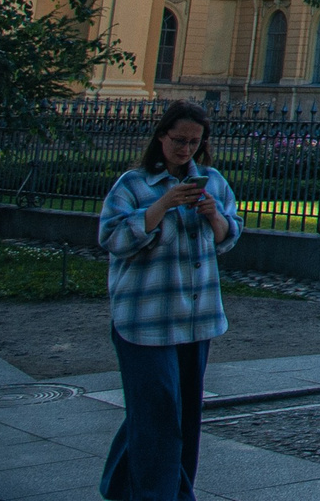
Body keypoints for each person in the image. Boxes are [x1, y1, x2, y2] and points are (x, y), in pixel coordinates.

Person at [98, 99, 241, 501]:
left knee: (178, 414)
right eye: (178, 140)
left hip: (195, 319)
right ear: (161, 136)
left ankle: (120, 486)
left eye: (194, 142)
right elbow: (112, 239)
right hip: (144, 321)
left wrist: (214, 216)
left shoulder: (212, 182)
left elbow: (229, 237)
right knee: (158, 414)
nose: (185, 149)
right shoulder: (133, 184)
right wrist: (161, 205)